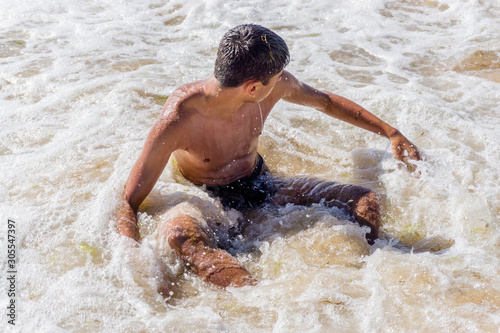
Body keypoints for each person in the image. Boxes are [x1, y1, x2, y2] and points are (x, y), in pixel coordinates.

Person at [114, 24, 421, 290]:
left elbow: (325, 102)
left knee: (364, 200)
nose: (283, 80)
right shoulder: (178, 119)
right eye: (276, 78)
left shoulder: (272, 86)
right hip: (202, 197)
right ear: (252, 87)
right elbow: (130, 200)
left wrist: (390, 132)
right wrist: (134, 262)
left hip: (259, 183)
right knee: (183, 240)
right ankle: (257, 304)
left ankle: (363, 280)